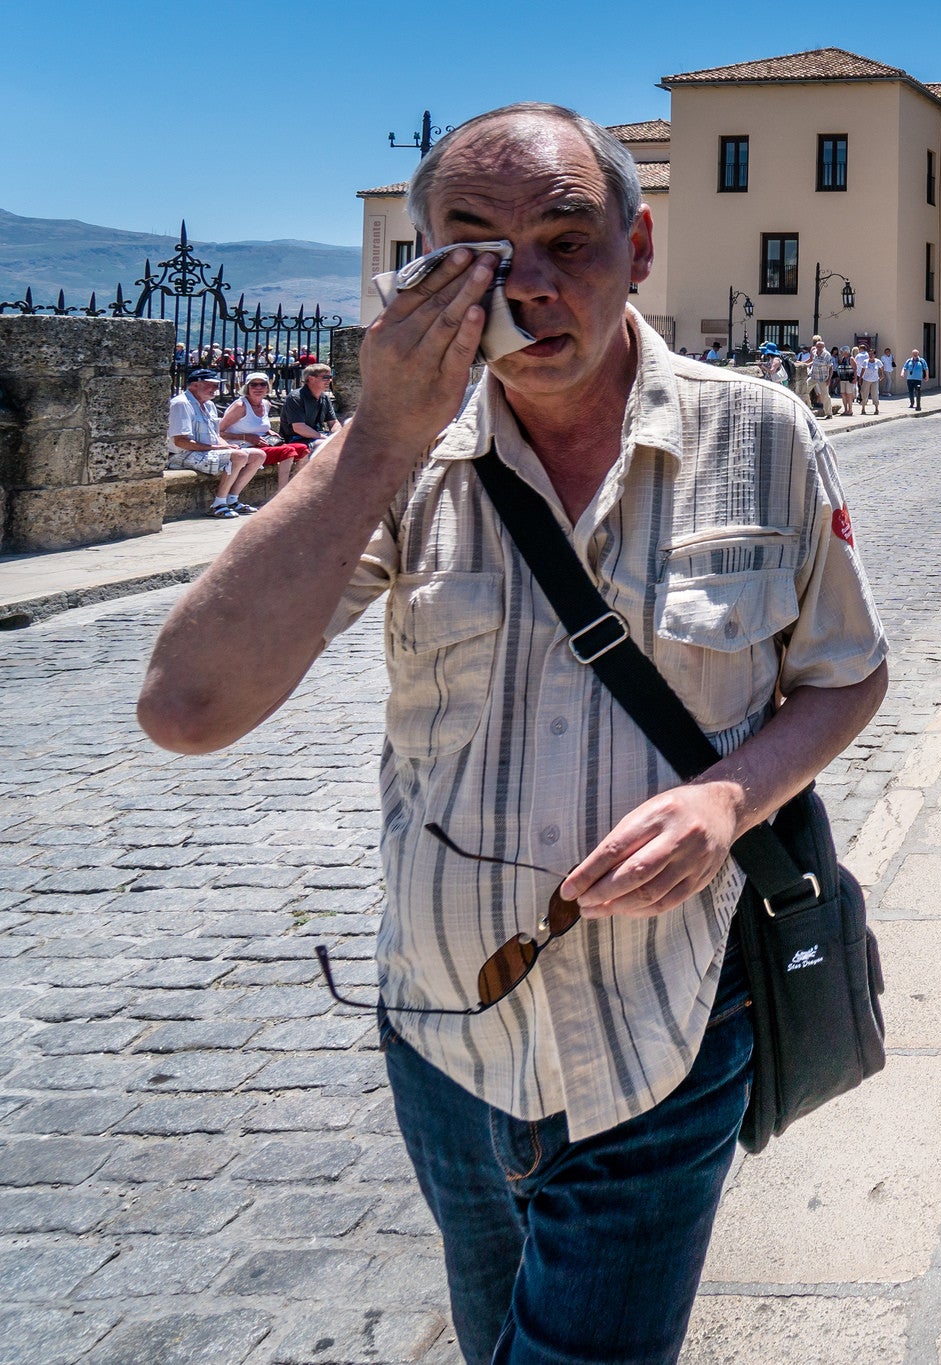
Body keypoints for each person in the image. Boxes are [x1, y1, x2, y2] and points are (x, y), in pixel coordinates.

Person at [136, 103, 888, 1365]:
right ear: (415, 262)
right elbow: (185, 708)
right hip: (445, 1041)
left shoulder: (761, 437)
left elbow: (844, 678)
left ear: (638, 249)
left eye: (564, 239)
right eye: (471, 245)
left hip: (667, 1032)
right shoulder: (392, 462)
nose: (522, 283)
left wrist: (727, 800)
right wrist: (377, 433)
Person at [166, 368, 264, 518]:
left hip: (206, 452)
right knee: (238, 456)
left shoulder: (210, 405)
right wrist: (219, 447)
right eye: (211, 385)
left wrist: (227, 445)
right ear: (195, 385)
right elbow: (181, 441)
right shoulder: (181, 404)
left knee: (258, 455)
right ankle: (218, 504)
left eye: (217, 385)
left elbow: (215, 434)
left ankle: (232, 500)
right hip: (182, 455)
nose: (216, 389)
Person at [219, 374, 313, 489]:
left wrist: (269, 431)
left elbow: (257, 424)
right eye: (254, 385)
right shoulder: (240, 406)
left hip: (262, 445)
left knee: (303, 448)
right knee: (287, 451)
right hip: (243, 447)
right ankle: (282, 491)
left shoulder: (266, 404)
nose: (258, 388)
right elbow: (219, 432)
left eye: (262, 384)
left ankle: (298, 486)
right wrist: (246, 437)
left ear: (267, 387)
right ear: (247, 387)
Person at [283, 363, 342, 456]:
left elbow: (334, 422)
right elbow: (299, 428)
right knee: (325, 445)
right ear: (311, 379)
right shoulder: (296, 398)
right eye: (325, 377)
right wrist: (326, 438)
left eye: (330, 377)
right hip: (296, 438)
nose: (329, 380)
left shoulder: (324, 398)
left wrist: (336, 435)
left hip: (318, 436)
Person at [804, 336, 834, 416]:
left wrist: (829, 379)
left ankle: (829, 413)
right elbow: (813, 362)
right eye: (818, 346)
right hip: (813, 376)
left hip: (823, 378)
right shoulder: (814, 352)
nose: (819, 348)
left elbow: (831, 367)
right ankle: (809, 406)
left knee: (825, 395)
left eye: (821, 347)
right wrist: (805, 364)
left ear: (823, 347)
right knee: (804, 390)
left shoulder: (827, 355)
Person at [834, 347, 859, 417]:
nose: (841, 353)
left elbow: (855, 369)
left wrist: (855, 379)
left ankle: (850, 410)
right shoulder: (843, 359)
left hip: (849, 379)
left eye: (842, 352)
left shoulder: (851, 359)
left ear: (846, 352)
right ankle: (845, 409)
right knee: (843, 394)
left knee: (849, 394)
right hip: (843, 379)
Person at [857, 346, 881, 414]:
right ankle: (863, 409)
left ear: (874, 355)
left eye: (872, 354)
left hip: (875, 380)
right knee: (864, 394)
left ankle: (876, 409)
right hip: (866, 380)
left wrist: (882, 376)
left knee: (875, 394)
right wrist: (860, 378)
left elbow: (882, 368)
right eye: (869, 354)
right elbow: (863, 370)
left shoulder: (878, 361)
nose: (870, 355)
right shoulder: (865, 361)